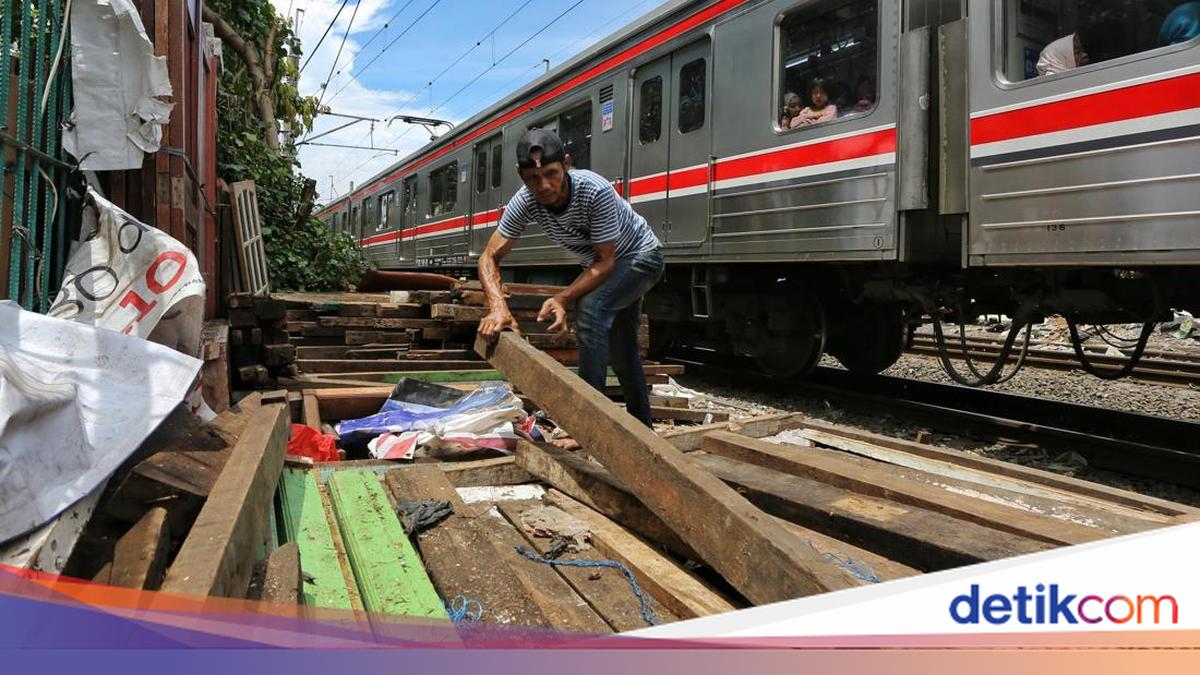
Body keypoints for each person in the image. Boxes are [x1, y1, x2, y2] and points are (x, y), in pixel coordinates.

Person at [476, 129, 665, 430]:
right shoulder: (525, 200)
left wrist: (564, 297)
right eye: (532, 178)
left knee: (591, 312)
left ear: (566, 163)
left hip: (642, 257)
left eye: (551, 174)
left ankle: (587, 428)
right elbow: (488, 257)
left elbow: (605, 263)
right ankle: (643, 428)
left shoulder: (594, 190)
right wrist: (497, 306)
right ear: (521, 175)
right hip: (609, 265)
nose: (544, 186)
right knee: (622, 351)